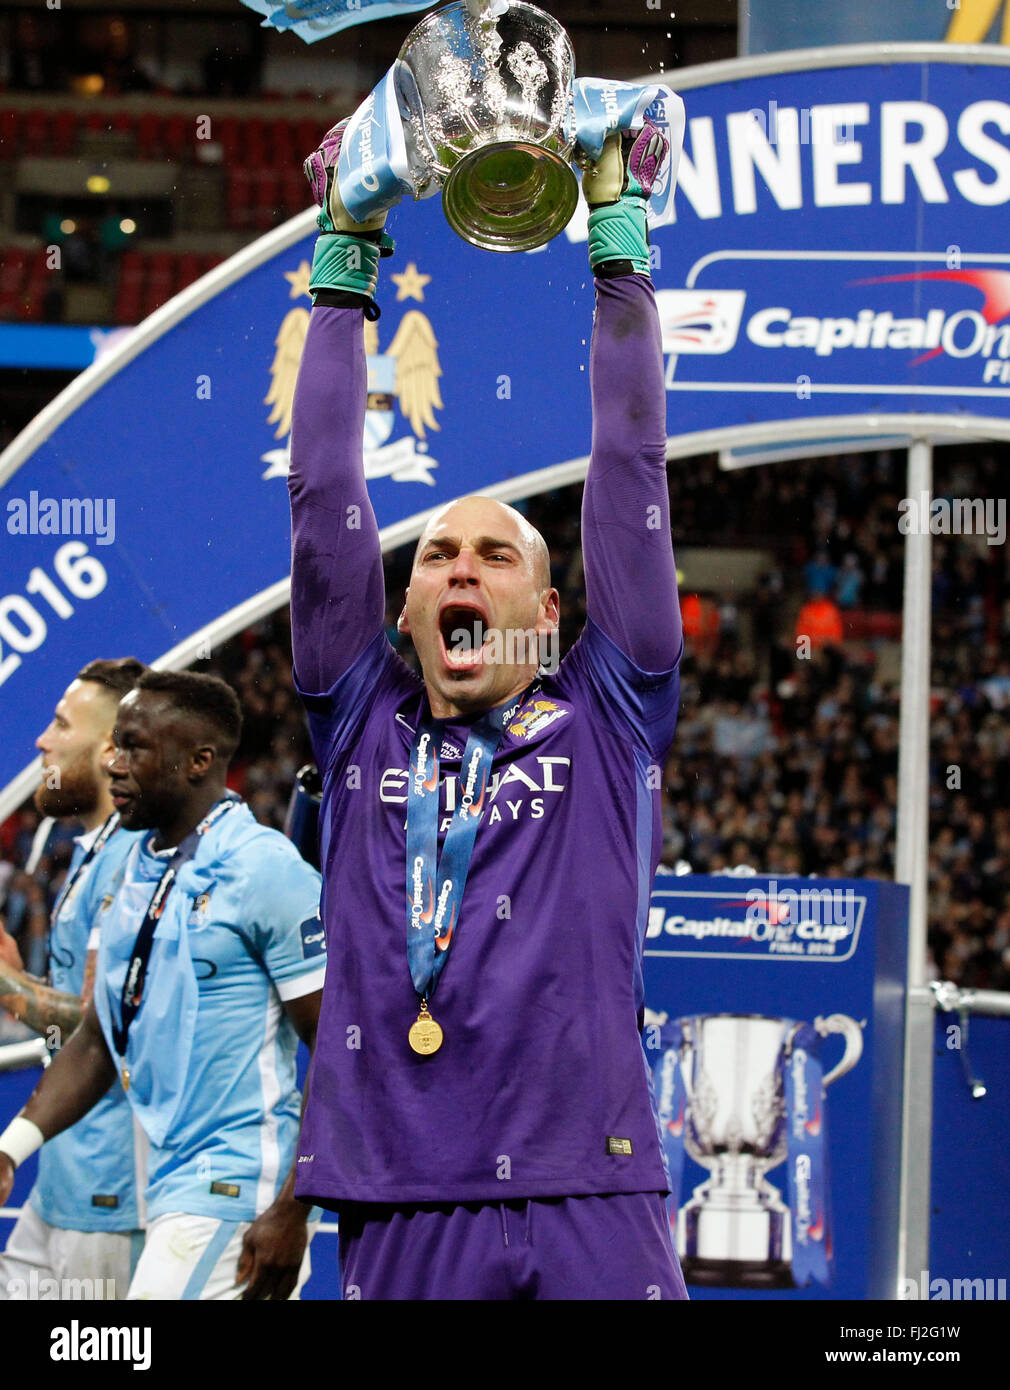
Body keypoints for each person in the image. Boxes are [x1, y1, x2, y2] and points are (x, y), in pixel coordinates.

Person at [287, 117, 688, 1299]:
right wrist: (344, 254)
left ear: (549, 607)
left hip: (593, 1183)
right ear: (400, 611)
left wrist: (615, 234)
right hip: (407, 1191)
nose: (458, 569)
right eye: (434, 556)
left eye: (491, 556)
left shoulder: (609, 710)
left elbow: (630, 456)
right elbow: (323, 491)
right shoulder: (360, 718)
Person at [0, 671, 326, 1300]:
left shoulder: (262, 869)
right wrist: (12, 1148)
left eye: (135, 747)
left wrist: (295, 1208)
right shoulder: (140, 869)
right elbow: (97, 1039)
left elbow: (339, 1042)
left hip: (236, 1194)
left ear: (198, 761)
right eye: (115, 745)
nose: (114, 765)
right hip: (171, 1187)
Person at [0, 657, 147, 1301]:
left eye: (61, 725)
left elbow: (102, 1027)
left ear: (111, 747)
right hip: (61, 1185)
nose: (42, 740)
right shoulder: (90, 852)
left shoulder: (133, 861)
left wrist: (6, 985)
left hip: (112, 1199)